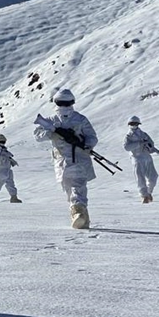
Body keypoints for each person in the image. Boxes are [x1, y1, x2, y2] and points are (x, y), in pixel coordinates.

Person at [34, 89, 98, 229]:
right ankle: (82, 217)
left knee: (78, 187)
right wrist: (51, 133)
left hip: (79, 159)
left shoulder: (80, 119)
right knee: (70, 191)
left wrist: (86, 144)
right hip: (62, 162)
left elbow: (92, 137)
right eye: (61, 103)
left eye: (66, 103)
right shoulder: (51, 120)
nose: (64, 106)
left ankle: (78, 213)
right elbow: (38, 135)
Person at [123, 116, 159, 203]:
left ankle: (149, 192)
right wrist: (138, 143)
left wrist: (151, 148)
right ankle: (144, 195)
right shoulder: (128, 136)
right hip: (137, 158)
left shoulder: (144, 134)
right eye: (131, 124)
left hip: (147, 157)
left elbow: (151, 143)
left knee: (153, 177)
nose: (133, 125)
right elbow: (126, 147)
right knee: (140, 178)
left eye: (135, 124)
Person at [0, 134, 22, 203]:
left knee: (11, 184)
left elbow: (8, 157)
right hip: (0, 169)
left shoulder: (4, 149)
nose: (2, 142)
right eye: (1, 141)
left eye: (3, 141)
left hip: (7, 169)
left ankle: (14, 197)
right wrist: (2, 155)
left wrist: (12, 161)